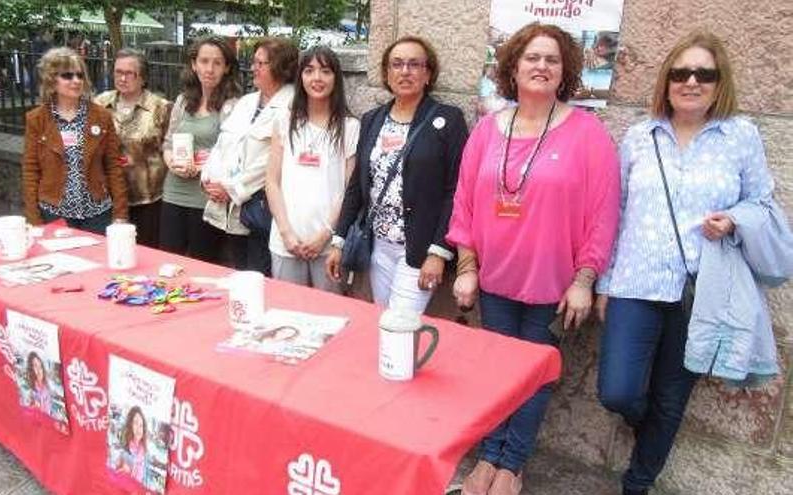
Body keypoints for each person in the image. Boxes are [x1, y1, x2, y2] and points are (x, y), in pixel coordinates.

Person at [594, 31, 778, 495]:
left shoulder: (740, 136)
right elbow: (614, 213)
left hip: (701, 291)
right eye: (681, 73)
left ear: (719, 83)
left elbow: (763, 203)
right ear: (667, 81)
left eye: (704, 74)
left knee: (672, 398)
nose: (691, 81)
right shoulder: (640, 136)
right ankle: (648, 428)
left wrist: (734, 219)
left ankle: (637, 483)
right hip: (635, 284)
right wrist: (604, 282)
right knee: (617, 391)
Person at [448, 23, 620, 495]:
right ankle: (489, 454)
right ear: (514, 66)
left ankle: (513, 463)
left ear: (564, 71)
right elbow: (464, 202)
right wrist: (466, 267)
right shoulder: (487, 129)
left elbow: (603, 215)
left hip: (553, 285)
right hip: (495, 280)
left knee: (535, 377)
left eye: (552, 60)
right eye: (532, 58)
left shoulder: (588, 134)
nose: (541, 66)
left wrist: (585, 278)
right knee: (494, 373)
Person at [326, 35, 468, 313]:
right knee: (384, 319)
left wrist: (439, 251)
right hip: (378, 245)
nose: (405, 71)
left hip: (419, 248)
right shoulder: (372, 119)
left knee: (400, 324)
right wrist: (339, 240)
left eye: (414, 64)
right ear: (386, 73)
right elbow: (357, 185)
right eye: (397, 64)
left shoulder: (448, 120)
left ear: (428, 74)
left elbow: (457, 191)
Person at [265, 46, 359, 292]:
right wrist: (286, 233)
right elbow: (272, 181)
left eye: (325, 71)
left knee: (331, 318)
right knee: (287, 314)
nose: (317, 78)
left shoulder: (350, 127)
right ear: (300, 77)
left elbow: (350, 190)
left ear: (336, 78)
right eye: (309, 71)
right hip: (286, 241)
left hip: (328, 247)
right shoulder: (285, 121)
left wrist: (324, 235)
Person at [202, 37, 298, 275]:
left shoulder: (292, 106)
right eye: (254, 62)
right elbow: (223, 144)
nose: (253, 68)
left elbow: (269, 161)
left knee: (259, 275)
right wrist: (209, 178)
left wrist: (232, 189)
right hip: (229, 208)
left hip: (259, 210)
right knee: (239, 272)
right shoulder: (246, 102)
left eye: (260, 63)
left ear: (279, 67)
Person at [22, 47, 127, 233]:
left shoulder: (101, 116)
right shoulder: (37, 119)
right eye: (67, 76)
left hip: (97, 212)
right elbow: (31, 170)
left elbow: (113, 166)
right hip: (54, 213)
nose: (76, 81)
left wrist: (120, 215)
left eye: (79, 75)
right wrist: (33, 219)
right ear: (52, 81)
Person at [161, 37, 242, 261]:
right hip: (173, 194)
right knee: (168, 262)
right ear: (194, 64)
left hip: (205, 199)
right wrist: (173, 164)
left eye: (217, 63)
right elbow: (168, 143)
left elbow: (234, 156)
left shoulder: (233, 106)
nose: (209, 69)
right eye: (204, 61)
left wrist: (199, 168)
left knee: (202, 265)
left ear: (226, 68)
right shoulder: (182, 101)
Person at [94, 48, 170, 248]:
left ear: (143, 77)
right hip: (110, 196)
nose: (122, 78)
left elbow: (168, 149)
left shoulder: (160, 107)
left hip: (149, 198)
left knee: (146, 254)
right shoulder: (100, 104)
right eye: (118, 72)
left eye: (129, 73)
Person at [117, 405, 148, 484]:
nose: (139, 428)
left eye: (141, 425)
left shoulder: (144, 452)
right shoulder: (123, 451)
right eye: (135, 423)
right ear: (130, 425)